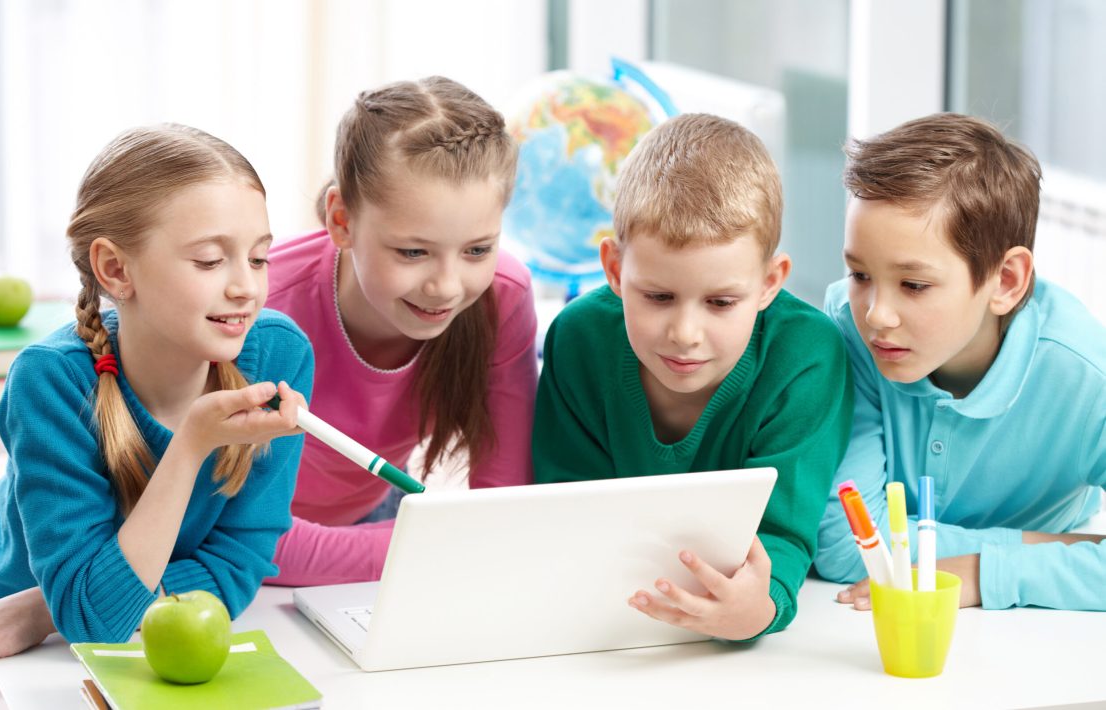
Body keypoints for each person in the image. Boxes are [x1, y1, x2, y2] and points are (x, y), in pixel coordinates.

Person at [0, 124, 313, 693]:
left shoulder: (280, 354)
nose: (247, 288)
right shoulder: (51, 380)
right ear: (115, 270)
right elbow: (96, 622)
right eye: (209, 262)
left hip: (43, 608)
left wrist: (45, 609)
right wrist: (192, 444)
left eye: (258, 258)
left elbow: (236, 568)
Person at [532, 113, 854, 640]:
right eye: (657, 296)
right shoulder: (579, 339)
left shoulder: (806, 356)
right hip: (600, 628)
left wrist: (761, 608)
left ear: (770, 282)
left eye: (721, 302)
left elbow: (782, 533)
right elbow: (566, 507)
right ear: (614, 270)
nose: (685, 333)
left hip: (735, 643)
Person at [813, 113, 1106, 610]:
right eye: (859, 273)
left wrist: (982, 571)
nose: (876, 314)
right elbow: (848, 547)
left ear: (1006, 281)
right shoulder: (846, 327)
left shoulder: (1085, 376)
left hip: (1038, 638)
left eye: (914, 285)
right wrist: (1059, 551)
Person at [265, 76, 538, 585]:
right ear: (341, 219)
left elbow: (503, 505)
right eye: (413, 252)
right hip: (238, 549)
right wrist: (440, 540)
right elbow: (244, 539)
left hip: (377, 529)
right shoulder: (261, 309)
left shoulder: (505, 297)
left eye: (478, 249)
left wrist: (444, 538)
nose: (446, 287)